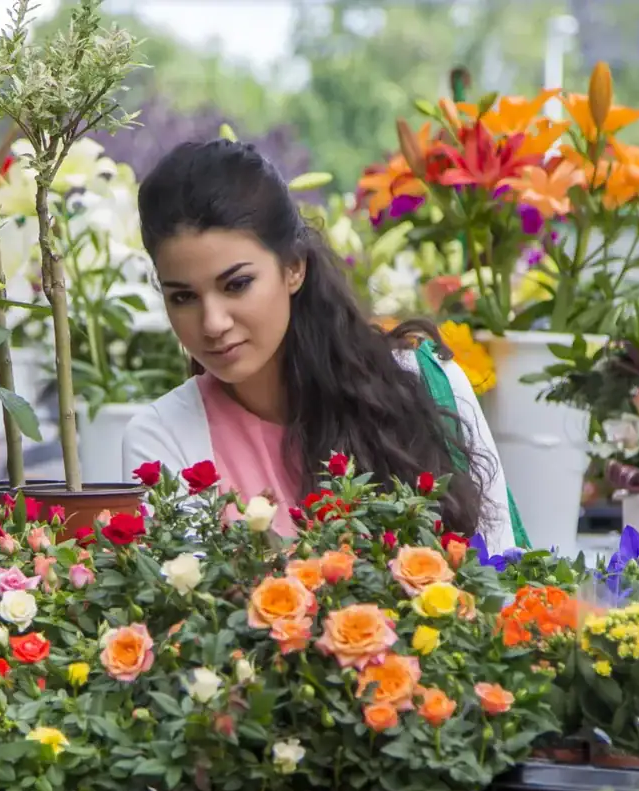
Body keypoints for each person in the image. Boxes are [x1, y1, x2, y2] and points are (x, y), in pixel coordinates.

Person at [122, 138, 516, 550]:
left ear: (294, 267)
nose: (213, 323)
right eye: (183, 297)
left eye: (236, 285)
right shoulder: (163, 437)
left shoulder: (425, 385)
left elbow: (503, 568)